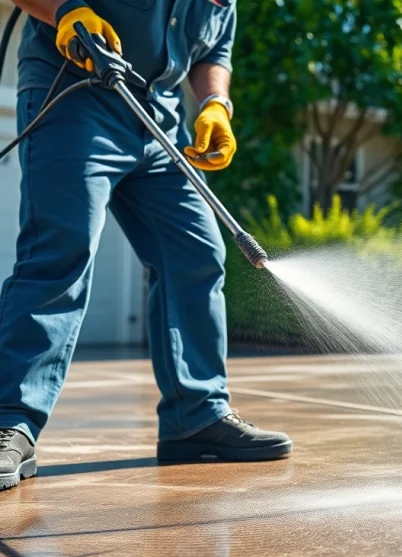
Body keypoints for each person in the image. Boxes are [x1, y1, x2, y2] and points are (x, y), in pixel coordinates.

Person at [0, 0, 292, 492]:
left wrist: (217, 104)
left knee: (197, 254)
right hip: (75, 97)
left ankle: (196, 416)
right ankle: (12, 421)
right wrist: (67, 10)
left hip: (158, 118)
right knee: (60, 252)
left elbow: (213, 53)